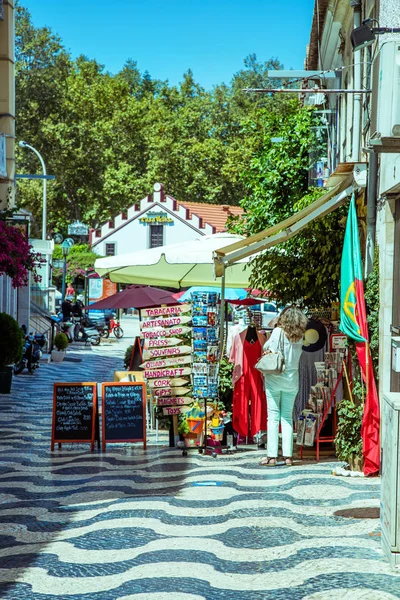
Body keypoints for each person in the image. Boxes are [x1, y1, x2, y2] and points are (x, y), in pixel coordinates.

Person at [259, 305, 308, 467]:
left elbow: (267, 348)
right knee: (287, 417)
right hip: (292, 380)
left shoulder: (278, 332)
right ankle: (288, 456)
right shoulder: (300, 336)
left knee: (272, 416)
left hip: (275, 378)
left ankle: (272, 456)